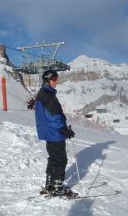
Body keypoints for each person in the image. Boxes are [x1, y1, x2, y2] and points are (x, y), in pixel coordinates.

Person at [35, 69, 76, 197]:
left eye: (57, 78)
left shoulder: (43, 93)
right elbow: (53, 116)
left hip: (49, 132)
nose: (56, 81)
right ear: (47, 80)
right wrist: (63, 129)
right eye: (54, 79)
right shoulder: (48, 96)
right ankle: (58, 186)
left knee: (53, 158)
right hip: (54, 133)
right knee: (60, 159)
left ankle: (50, 184)